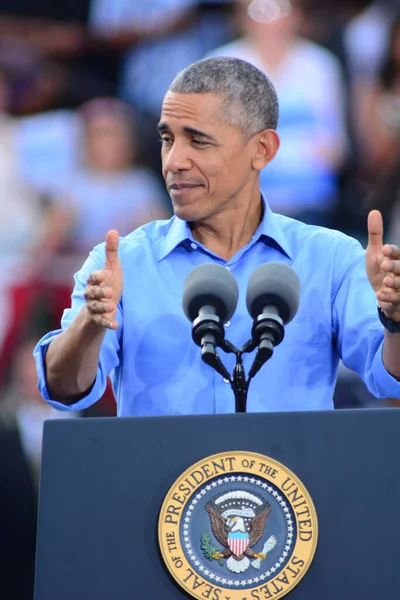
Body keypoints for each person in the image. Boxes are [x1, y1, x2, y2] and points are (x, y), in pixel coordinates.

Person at [34, 57, 400, 417]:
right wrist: (90, 324)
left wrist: (396, 319)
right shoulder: (120, 264)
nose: (173, 161)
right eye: (167, 139)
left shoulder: (330, 259)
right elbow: (64, 389)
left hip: (291, 476)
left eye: (198, 141)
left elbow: (389, 380)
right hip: (160, 479)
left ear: (262, 150)